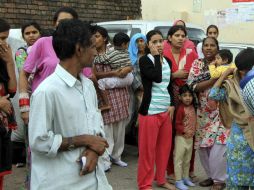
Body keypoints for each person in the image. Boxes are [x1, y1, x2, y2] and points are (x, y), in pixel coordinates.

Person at [28, 19, 112, 190]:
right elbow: (39, 141)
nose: (96, 53)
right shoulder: (47, 92)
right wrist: (84, 140)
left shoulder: (87, 85)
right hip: (61, 183)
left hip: (94, 181)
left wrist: (95, 149)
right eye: (92, 47)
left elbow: (97, 124)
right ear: (79, 49)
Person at [19, 6, 78, 125]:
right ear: (54, 23)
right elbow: (24, 74)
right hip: (43, 105)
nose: (64, 25)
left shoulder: (79, 47)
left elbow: (86, 78)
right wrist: (24, 107)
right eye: (61, 22)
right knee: (42, 141)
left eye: (69, 22)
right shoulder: (43, 43)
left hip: (70, 107)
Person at [209, 48, 254, 189]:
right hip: (240, 135)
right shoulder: (231, 84)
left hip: (246, 133)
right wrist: (224, 75)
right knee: (237, 178)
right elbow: (214, 95)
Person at [187, 37, 228, 190]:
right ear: (202, 48)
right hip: (203, 112)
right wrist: (214, 79)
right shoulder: (197, 64)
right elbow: (193, 86)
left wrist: (220, 75)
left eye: (212, 45)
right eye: (206, 45)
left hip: (221, 109)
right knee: (204, 146)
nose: (209, 48)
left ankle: (219, 180)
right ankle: (211, 176)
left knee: (219, 146)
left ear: (217, 48)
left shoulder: (224, 62)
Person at [137, 30, 175, 190]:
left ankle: (161, 179)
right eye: (154, 42)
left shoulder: (167, 61)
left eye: (161, 41)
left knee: (164, 148)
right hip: (150, 111)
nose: (159, 44)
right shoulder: (145, 60)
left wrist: (172, 103)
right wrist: (157, 58)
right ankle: (145, 184)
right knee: (147, 151)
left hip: (165, 110)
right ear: (148, 44)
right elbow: (157, 77)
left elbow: (168, 84)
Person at [163, 25, 198, 182]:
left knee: (189, 133)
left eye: (183, 35)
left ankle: (188, 171)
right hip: (169, 96)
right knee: (171, 134)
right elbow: (157, 76)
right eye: (177, 35)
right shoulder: (163, 54)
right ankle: (171, 171)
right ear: (169, 38)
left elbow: (197, 75)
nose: (180, 38)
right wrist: (174, 75)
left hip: (188, 96)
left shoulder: (191, 54)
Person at [93, 27, 130, 171]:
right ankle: (106, 160)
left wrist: (124, 70)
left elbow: (127, 66)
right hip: (103, 95)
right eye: (93, 36)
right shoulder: (91, 53)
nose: (94, 39)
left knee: (120, 129)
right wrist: (114, 73)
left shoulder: (114, 51)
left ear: (105, 38)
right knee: (106, 129)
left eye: (97, 36)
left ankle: (117, 156)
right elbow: (94, 75)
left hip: (120, 94)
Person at [12, 21, 42, 168]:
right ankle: (32, 168)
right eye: (27, 33)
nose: (31, 36)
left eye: (34, 32)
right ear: (23, 36)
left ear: (40, 33)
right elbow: (25, 74)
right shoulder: (21, 52)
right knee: (31, 133)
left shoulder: (47, 48)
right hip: (30, 97)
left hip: (47, 97)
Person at [0, 18, 17, 190]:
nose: (3, 43)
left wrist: (9, 61)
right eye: (0, 38)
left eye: (5, 39)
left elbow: (12, 88)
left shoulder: (3, 60)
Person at [94, 32, 133, 97]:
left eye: (97, 36)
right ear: (123, 44)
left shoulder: (110, 54)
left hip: (120, 78)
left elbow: (99, 60)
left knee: (100, 82)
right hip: (129, 77)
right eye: (128, 44)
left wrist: (93, 57)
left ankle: (105, 103)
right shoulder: (127, 52)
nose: (128, 46)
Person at [174, 85, 196, 190]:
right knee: (179, 160)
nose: (188, 98)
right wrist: (184, 130)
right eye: (185, 95)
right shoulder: (180, 109)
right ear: (180, 97)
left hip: (190, 138)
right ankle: (178, 180)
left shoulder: (193, 107)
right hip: (181, 138)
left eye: (190, 96)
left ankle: (186, 177)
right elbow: (177, 124)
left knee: (187, 159)